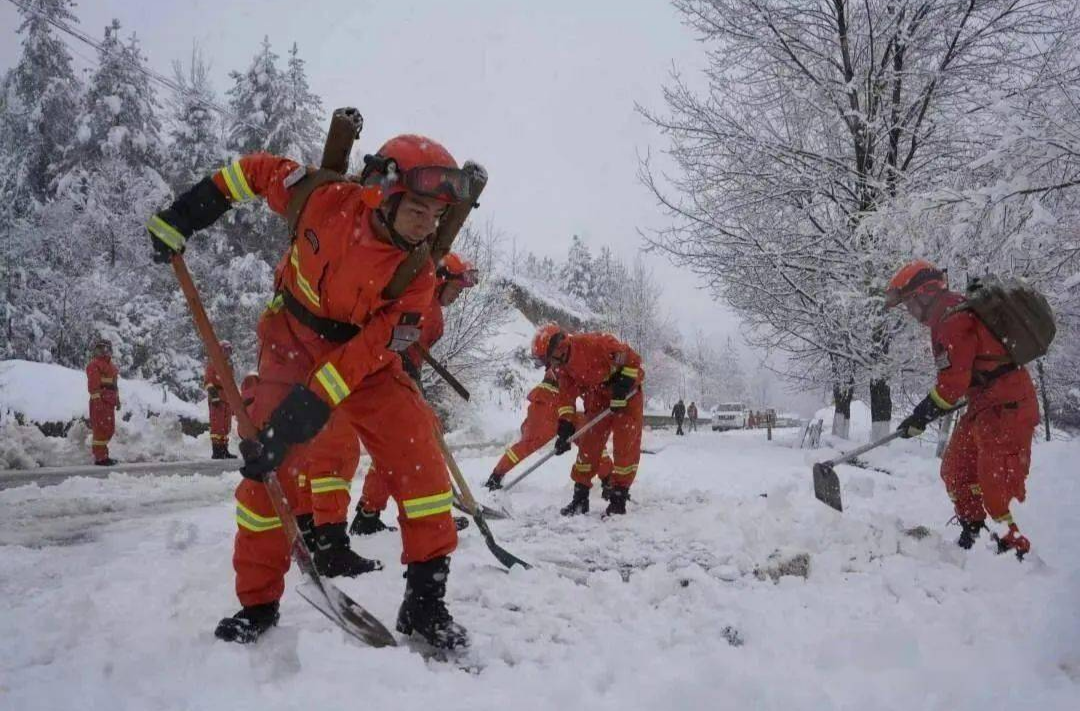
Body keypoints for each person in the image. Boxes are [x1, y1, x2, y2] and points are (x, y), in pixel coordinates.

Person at [147, 134, 477, 647]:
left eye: (437, 215)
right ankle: (257, 606)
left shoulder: (417, 277)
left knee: (422, 464)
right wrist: (187, 213)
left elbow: (362, 356)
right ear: (381, 191)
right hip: (291, 343)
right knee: (267, 474)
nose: (427, 225)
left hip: (365, 364)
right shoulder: (318, 198)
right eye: (417, 208)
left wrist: (305, 411)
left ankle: (425, 603)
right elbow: (253, 173)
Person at [885, 260, 1040, 559]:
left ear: (926, 293)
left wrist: (920, 416)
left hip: (1008, 407)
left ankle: (1015, 552)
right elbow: (959, 377)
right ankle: (974, 532)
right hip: (983, 404)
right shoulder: (947, 317)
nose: (909, 311)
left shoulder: (953, 319)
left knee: (996, 483)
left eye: (909, 303)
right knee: (956, 468)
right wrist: (925, 413)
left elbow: (952, 385)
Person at [350, 252, 478, 536]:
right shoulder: (421, 304)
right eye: (456, 289)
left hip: (403, 374)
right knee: (422, 442)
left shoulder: (429, 308)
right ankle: (434, 516)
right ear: (441, 281)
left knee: (394, 448)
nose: (458, 296)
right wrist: (404, 375)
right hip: (395, 373)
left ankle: (367, 514)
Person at [529, 323, 644, 516]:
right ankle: (580, 499)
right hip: (597, 396)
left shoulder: (596, 343)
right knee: (588, 447)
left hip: (627, 395)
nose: (552, 366)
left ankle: (618, 498)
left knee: (625, 447)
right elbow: (566, 397)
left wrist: (622, 386)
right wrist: (565, 426)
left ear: (560, 347)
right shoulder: (562, 370)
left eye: (550, 360)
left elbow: (633, 360)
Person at [482, 371, 615, 497]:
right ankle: (496, 476)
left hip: (565, 402)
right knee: (531, 442)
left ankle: (608, 479)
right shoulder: (579, 354)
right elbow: (585, 384)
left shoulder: (593, 359)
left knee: (589, 438)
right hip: (548, 400)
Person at [86, 338, 120, 466]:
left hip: (109, 402)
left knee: (108, 429)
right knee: (100, 429)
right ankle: (100, 457)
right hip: (100, 401)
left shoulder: (112, 367)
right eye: (100, 349)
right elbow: (93, 385)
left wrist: (117, 400)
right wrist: (97, 401)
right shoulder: (94, 365)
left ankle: (104, 455)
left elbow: (114, 385)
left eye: (105, 348)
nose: (103, 351)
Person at [205, 341, 238, 459]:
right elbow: (208, 381)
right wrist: (214, 396)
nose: (228, 353)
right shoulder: (214, 363)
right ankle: (217, 451)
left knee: (225, 426)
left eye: (230, 350)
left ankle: (224, 450)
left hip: (227, 399)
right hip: (217, 398)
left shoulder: (229, 365)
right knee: (217, 425)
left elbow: (231, 383)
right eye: (226, 350)